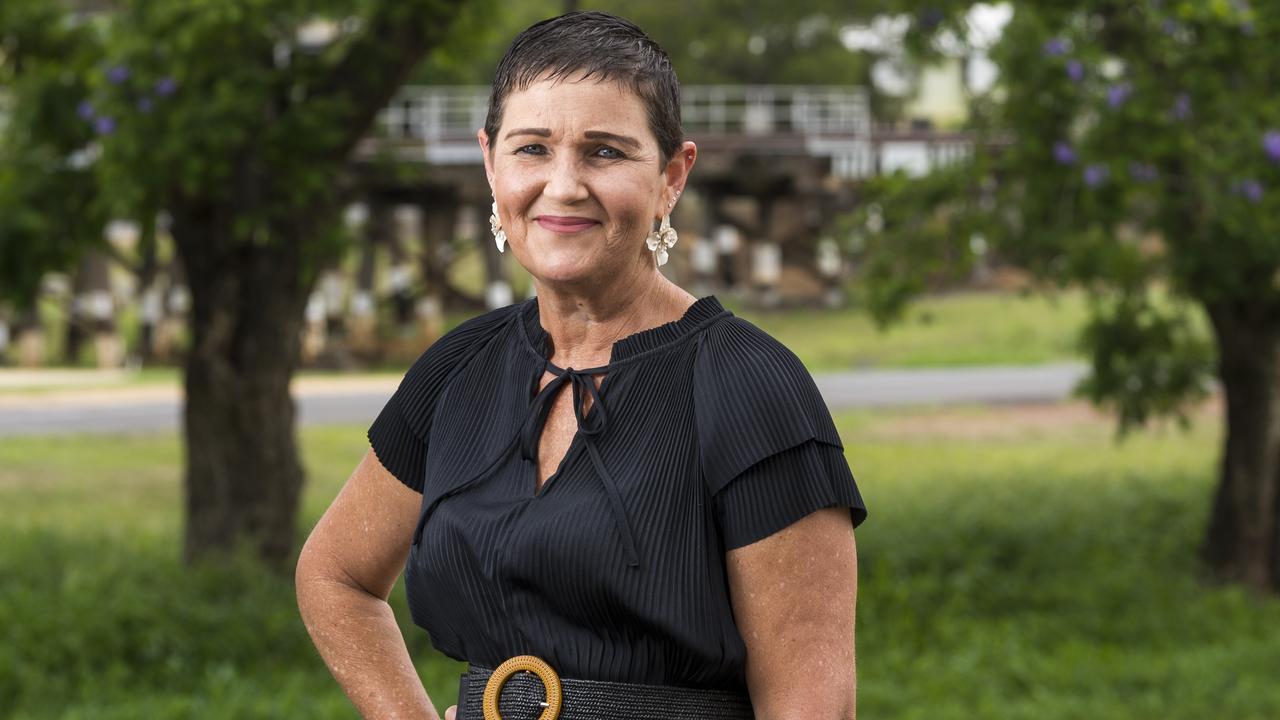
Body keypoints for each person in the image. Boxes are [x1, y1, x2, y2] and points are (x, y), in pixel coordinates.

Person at [296, 11, 866, 720]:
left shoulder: (749, 385)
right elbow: (334, 574)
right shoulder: (456, 370)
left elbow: (811, 709)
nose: (563, 186)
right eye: (532, 148)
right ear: (489, 163)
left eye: (605, 153)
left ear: (672, 176)